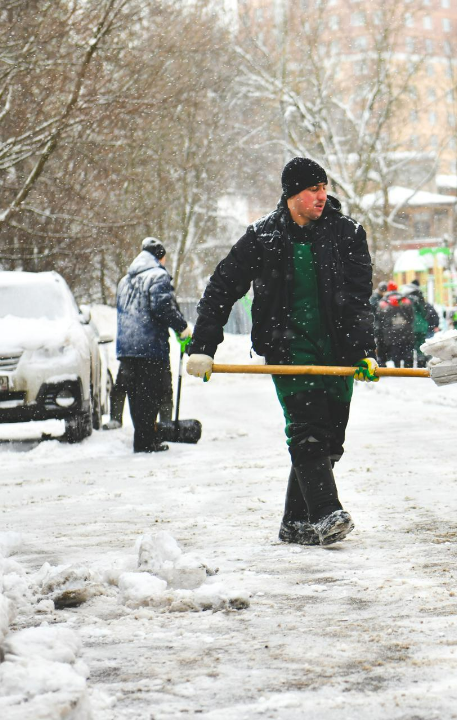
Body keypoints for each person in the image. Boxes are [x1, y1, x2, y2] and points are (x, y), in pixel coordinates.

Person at [185, 157, 377, 546]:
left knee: (330, 441)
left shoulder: (347, 234)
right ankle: (326, 512)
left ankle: (295, 521)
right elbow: (222, 288)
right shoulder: (263, 237)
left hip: (336, 351)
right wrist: (204, 346)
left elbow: (358, 301)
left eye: (324, 187)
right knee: (308, 432)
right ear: (292, 195)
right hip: (288, 349)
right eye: (313, 190)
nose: (322, 196)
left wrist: (364, 351)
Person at [115, 237, 191, 451]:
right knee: (150, 394)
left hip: (127, 348)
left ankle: (142, 437)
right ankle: (146, 441)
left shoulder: (125, 280)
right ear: (160, 257)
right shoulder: (157, 276)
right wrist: (182, 328)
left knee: (135, 395)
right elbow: (163, 307)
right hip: (150, 347)